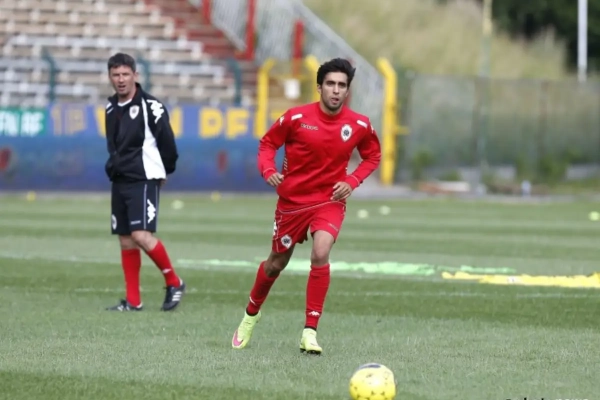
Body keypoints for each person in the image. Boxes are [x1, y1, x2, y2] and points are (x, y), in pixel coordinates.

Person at [231, 58, 381, 354]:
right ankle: (250, 314)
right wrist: (268, 170)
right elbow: (267, 144)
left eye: (341, 85)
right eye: (330, 84)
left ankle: (309, 332)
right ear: (319, 87)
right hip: (293, 202)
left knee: (321, 251)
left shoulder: (360, 124)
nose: (336, 90)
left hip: (329, 200)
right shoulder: (296, 118)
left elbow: (372, 156)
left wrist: (351, 181)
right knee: (276, 263)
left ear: (347, 90)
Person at [103, 53, 185, 312]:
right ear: (110, 77)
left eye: (125, 74)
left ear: (135, 76)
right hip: (120, 180)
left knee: (141, 235)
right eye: (116, 75)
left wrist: (165, 170)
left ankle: (174, 282)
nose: (121, 79)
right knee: (126, 239)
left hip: (144, 178)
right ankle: (133, 301)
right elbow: (114, 146)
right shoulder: (110, 108)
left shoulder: (151, 106)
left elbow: (167, 141)